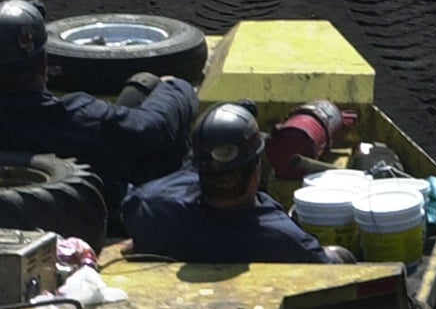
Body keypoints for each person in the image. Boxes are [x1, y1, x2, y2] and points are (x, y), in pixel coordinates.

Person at [0, 0, 198, 227]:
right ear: (44, 63)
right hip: (94, 223)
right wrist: (175, 87)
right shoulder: (83, 117)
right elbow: (154, 127)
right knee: (146, 87)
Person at [120, 100, 339, 264]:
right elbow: (329, 267)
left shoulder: (149, 208)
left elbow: (166, 190)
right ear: (256, 171)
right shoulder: (285, 240)